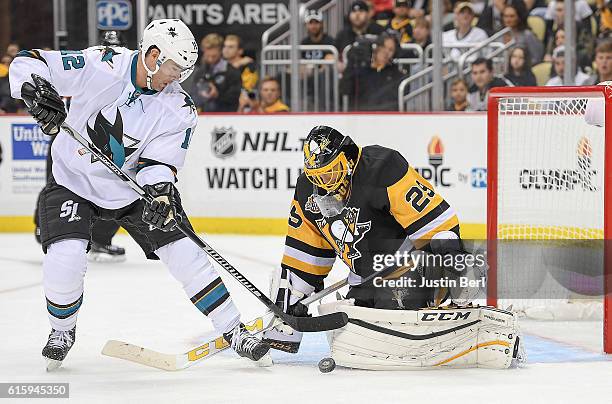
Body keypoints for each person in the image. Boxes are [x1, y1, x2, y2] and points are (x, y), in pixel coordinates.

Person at [9, 18, 270, 370]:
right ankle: (62, 330)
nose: (177, 78)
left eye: (184, 70)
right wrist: (33, 89)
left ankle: (234, 329)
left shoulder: (179, 108)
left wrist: (160, 191)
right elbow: (28, 61)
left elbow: (159, 162)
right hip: (72, 179)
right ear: (153, 55)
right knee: (65, 258)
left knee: (185, 254)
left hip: (134, 191)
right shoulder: (101, 64)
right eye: (174, 68)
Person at [261, 126, 520, 369]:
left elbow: (438, 227)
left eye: (329, 171)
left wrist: (449, 270)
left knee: (441, 247)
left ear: (347, 159)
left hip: (407, 268)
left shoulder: (383, 168)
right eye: (316, 176)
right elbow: (304, 256)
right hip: (363, 278)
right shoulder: (307, 191)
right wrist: (292, 307)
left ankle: (445, 296)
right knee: (308, 293)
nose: (324, 182)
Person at [341, 37, 405, 110]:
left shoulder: (396, 75)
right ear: (375, 48)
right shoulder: (361, 72)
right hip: (360, 116)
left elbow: (393, 103)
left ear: (394, 54)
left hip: (385, 117)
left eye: (390, 50)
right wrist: (351, 63)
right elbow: (344, 90)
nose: (386, 52)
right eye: (383, 47)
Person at [190, 33, 242, 112]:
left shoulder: (232, 73)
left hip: (227, 117)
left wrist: (217, 95)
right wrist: (202, 96)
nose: (210, 59)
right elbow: (193, 95)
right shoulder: (200, 72)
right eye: (208, 56)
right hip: (203, 117)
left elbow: (235, 98)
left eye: (214, 56)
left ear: (221, 51)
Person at [501, 0, 544, 64]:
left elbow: (537, 58)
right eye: (505, 16)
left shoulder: (527, 35)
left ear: (519, 17)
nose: (508, 20)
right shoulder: (499, 35)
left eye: (512, 16)